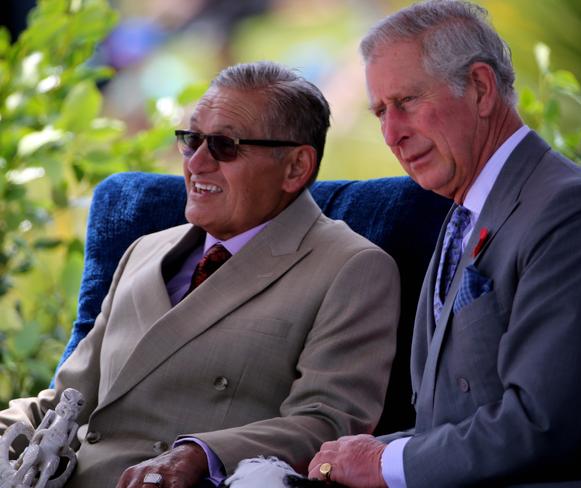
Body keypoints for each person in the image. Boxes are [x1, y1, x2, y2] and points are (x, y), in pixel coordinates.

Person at [0, 61, 401, 488]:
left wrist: (201, 455)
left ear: (295, 168)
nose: (198, 163)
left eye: (225, 145)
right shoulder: (143, 250)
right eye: (192, 140)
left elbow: (326, 423)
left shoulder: (350, 267)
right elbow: (66, 401)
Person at [307, 1, 581, 486]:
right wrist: (361, 454)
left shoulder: (572, 211)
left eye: (406, 102)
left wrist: (381, 463)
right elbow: (449, 421)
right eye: (380, 111)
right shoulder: (465, 209)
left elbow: (539, 425)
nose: (392, 134)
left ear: (481, 89)